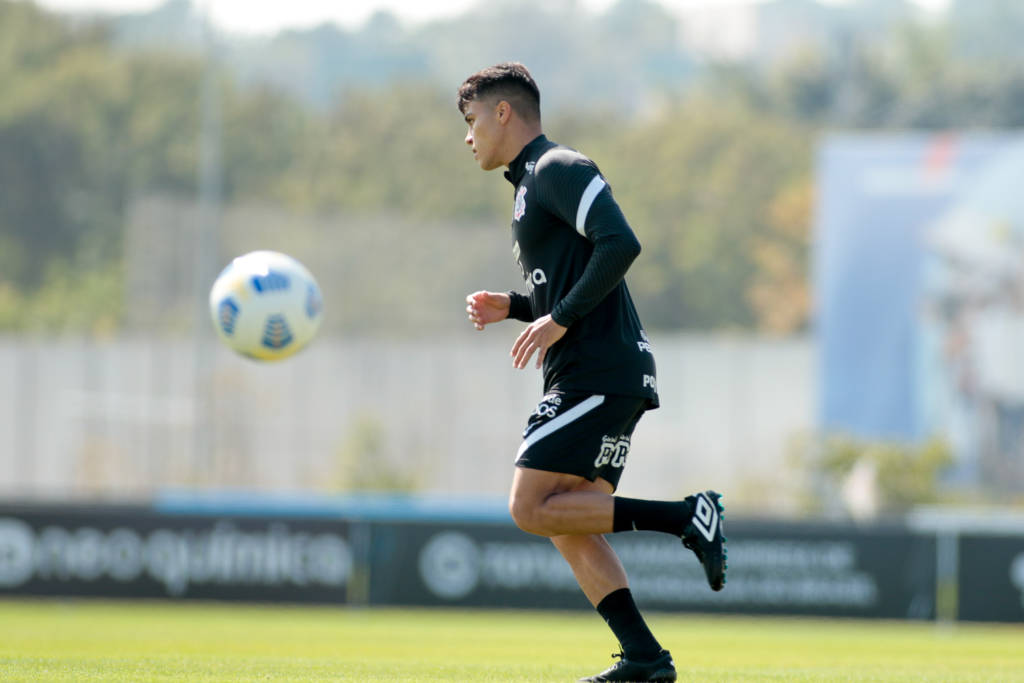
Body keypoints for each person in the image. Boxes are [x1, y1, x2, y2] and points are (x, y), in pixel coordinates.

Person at [458, 62, 726, 682]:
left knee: (530, 506)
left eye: (472, 121)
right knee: (567, 518)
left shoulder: (558, 167)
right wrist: (517, 306)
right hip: (597, 369)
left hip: (597, 369)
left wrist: (558, 320)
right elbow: (571, 280)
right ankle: (645, 659)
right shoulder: (526, 186)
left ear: (504, 112)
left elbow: (620, 243)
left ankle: (688, 517)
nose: (468, 137)